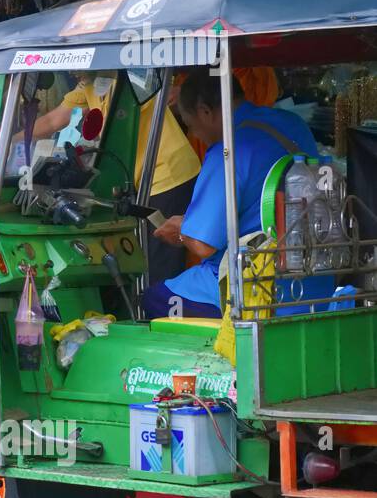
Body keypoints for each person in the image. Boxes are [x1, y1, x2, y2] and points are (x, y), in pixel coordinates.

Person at [142, 68, 330, 319]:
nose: (196, 136)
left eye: (191, 127)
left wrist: (181, 231)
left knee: (153, 298)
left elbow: (202, 245)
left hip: (254, 284)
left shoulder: (227, 150)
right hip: (313, 278)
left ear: (205, 112)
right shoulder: (291, 123)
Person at [31, 72, 200, 283]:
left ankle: (162, 312)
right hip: (141, 178)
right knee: (142, 259)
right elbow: (53, 120)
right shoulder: (88, 83)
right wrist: (8, 139)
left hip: (168, 173)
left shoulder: (130, 77)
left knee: (159, 262)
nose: (72, 72)